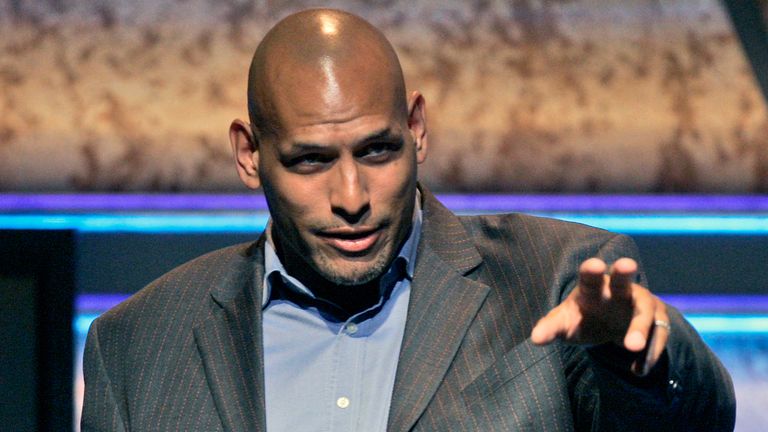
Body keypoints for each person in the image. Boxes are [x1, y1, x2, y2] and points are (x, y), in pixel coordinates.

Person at [81, 8, 735, 431]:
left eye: (378, 150)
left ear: (416, 129)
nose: (352, 194)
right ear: (250, 156)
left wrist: (640, 360)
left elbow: (697, 422)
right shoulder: (134, 345)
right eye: (310, 161)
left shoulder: (555, 278)